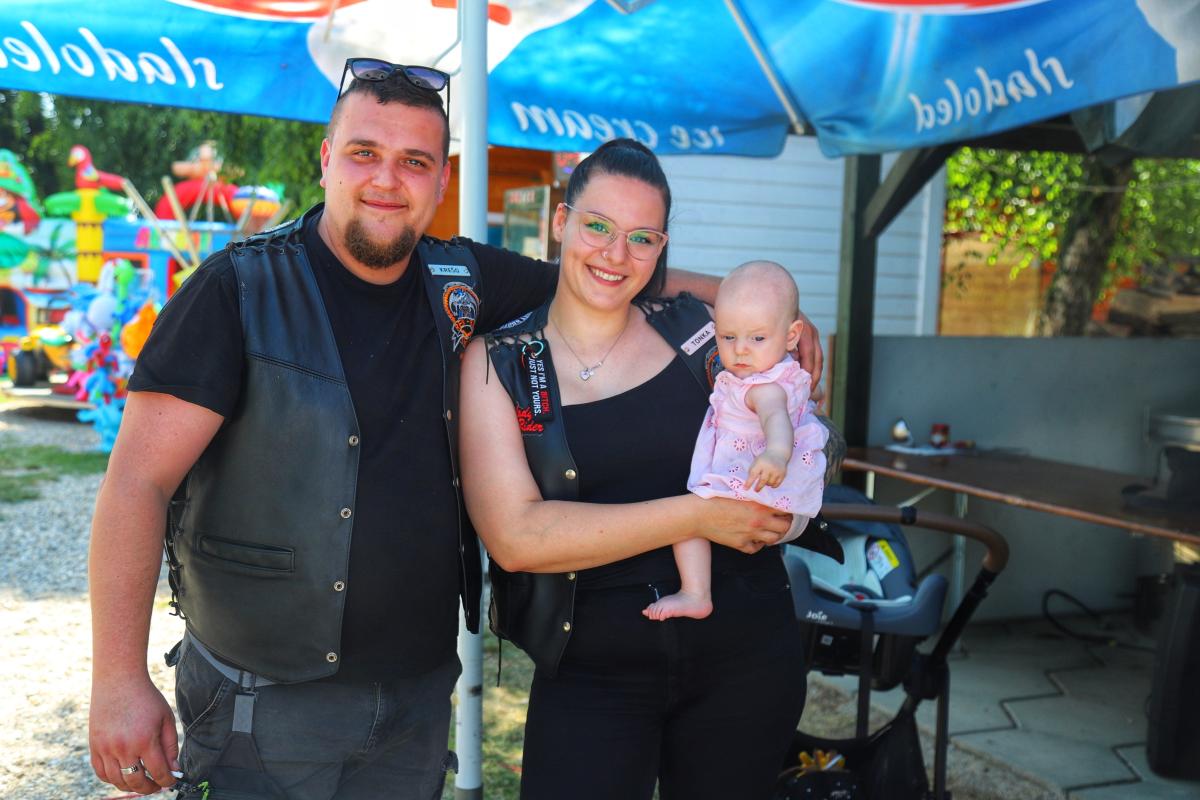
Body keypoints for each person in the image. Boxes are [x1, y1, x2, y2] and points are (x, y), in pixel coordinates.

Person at [86, 60, 825, 799]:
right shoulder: (239, 289)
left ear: (442, 180)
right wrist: (118, 680)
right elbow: (137, 482)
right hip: (268, 695)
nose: (387, 180)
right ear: (327, 159)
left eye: (415, 161)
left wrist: (759, 313)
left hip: (414, 694)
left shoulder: (459, 277)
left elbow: (602, 275)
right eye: (365, 153)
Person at [459, 138, 844, 800]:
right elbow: (515, 538)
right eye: (598, 227)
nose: (616, 255)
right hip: (591, 670)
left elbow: (814, 435)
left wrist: (806, 451)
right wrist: (698, 516)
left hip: (746, 653)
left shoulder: (701, 334)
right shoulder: (503, 362)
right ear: (561, 222)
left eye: (642, 238)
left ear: (661, 248)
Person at [643, 260, 828, 622]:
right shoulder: (781, 371)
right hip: (782, 496)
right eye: (728, 337)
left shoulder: (763, 388)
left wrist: (776, 453)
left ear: (793, 335)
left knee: (684, 521)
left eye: (757, 338)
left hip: (758, 481)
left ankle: (696, 592)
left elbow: (776, 417)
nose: (741, 350)